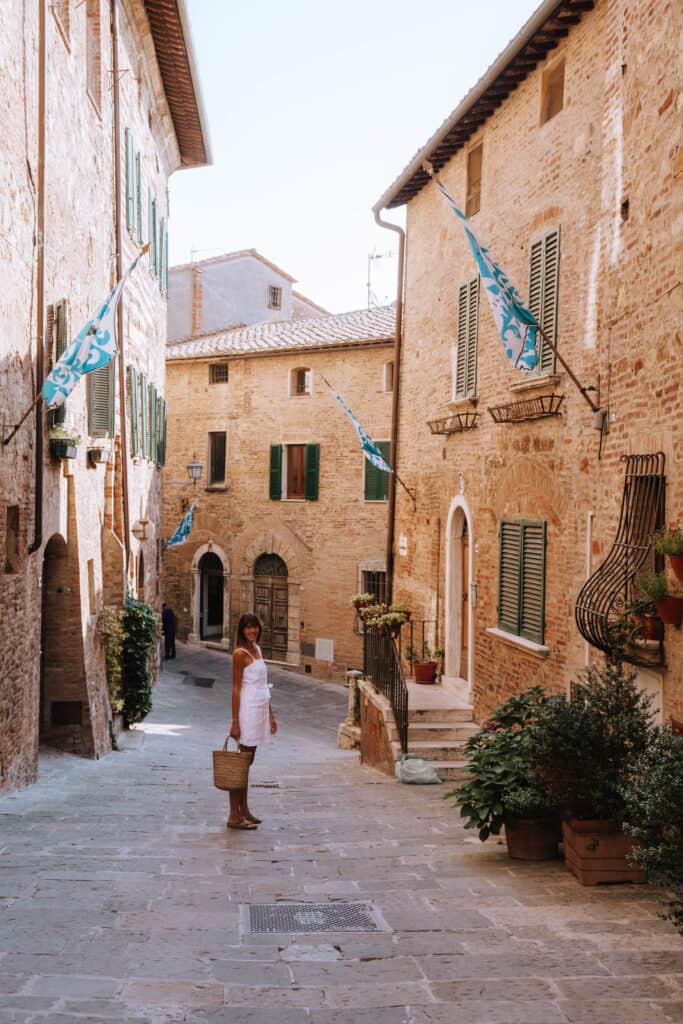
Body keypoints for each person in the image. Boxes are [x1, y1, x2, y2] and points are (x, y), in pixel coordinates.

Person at [228, 613, 277, 830]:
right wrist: (235, 721)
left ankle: (244, 809)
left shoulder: (257, 649)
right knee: (241, 765)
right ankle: (233, 815)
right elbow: (236, 688)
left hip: (259, 710)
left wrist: (271, 715)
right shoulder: (240, 654)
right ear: (241, 630)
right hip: (247, 710)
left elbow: (263, 685)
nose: (252, 631)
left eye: (255, 627)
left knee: (248, 763)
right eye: (248, 627)